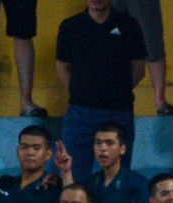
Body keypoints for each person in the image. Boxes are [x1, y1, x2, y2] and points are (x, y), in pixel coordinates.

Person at [56, 0, 146, 169]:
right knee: (74, 175)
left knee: (116, 179)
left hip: (119, 113)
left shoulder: (129, 25)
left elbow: (139, 69)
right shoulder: (70, 26)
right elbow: (62, 67)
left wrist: (117, 91)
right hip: (80, 115)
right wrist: (80, 93)